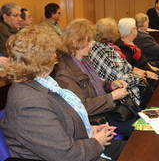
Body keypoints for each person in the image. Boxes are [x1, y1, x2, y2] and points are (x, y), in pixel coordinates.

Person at [0, 26, 122, 161]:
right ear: (44, 58)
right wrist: (96, 141)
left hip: (79, 144)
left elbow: (59, 122)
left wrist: (89, 130)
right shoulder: (29, 102)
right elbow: (65, 155)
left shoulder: (41, 81)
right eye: (54, 53)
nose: (56, 57)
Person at [54, 19, 133, 137]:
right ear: (76, 41)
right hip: (95, 120)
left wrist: (111, 85)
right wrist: (112, 97)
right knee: (138, 128)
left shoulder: (83, 59)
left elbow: (94, 85)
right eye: (88, 40)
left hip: (105, 111)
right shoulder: (64, 72)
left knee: (140, 123)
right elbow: (81, 107)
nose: (92, 44)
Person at [88, 18, 146, 107]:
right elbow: (118, 78)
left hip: (122, 88)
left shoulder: (104, 47)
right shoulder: (104, 52)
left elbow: (126, 67)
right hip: (122, 98)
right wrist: (139, 77)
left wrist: (136, 72)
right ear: (112, 33)